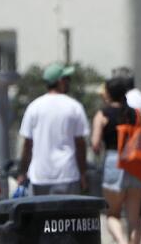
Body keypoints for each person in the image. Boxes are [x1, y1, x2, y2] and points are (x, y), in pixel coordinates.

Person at [91, 77, 141, 244]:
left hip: (114, 162)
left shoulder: (102, 114)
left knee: (112, 214)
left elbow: (95, 144)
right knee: (133, 218)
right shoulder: (135, 114)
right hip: (136, 164)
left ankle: (122, 243)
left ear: (108, 93)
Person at [17, 63, 90, 196]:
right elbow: (80, 144)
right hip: (67, 174)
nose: (69, 83)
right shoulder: (74, 107)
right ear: (60, 81)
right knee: (67, 216)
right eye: (67, 79)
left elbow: (27, 144)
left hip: (39, 175)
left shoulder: (34, 107)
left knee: (40, 216)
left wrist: (22, 172)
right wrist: (83, 173)